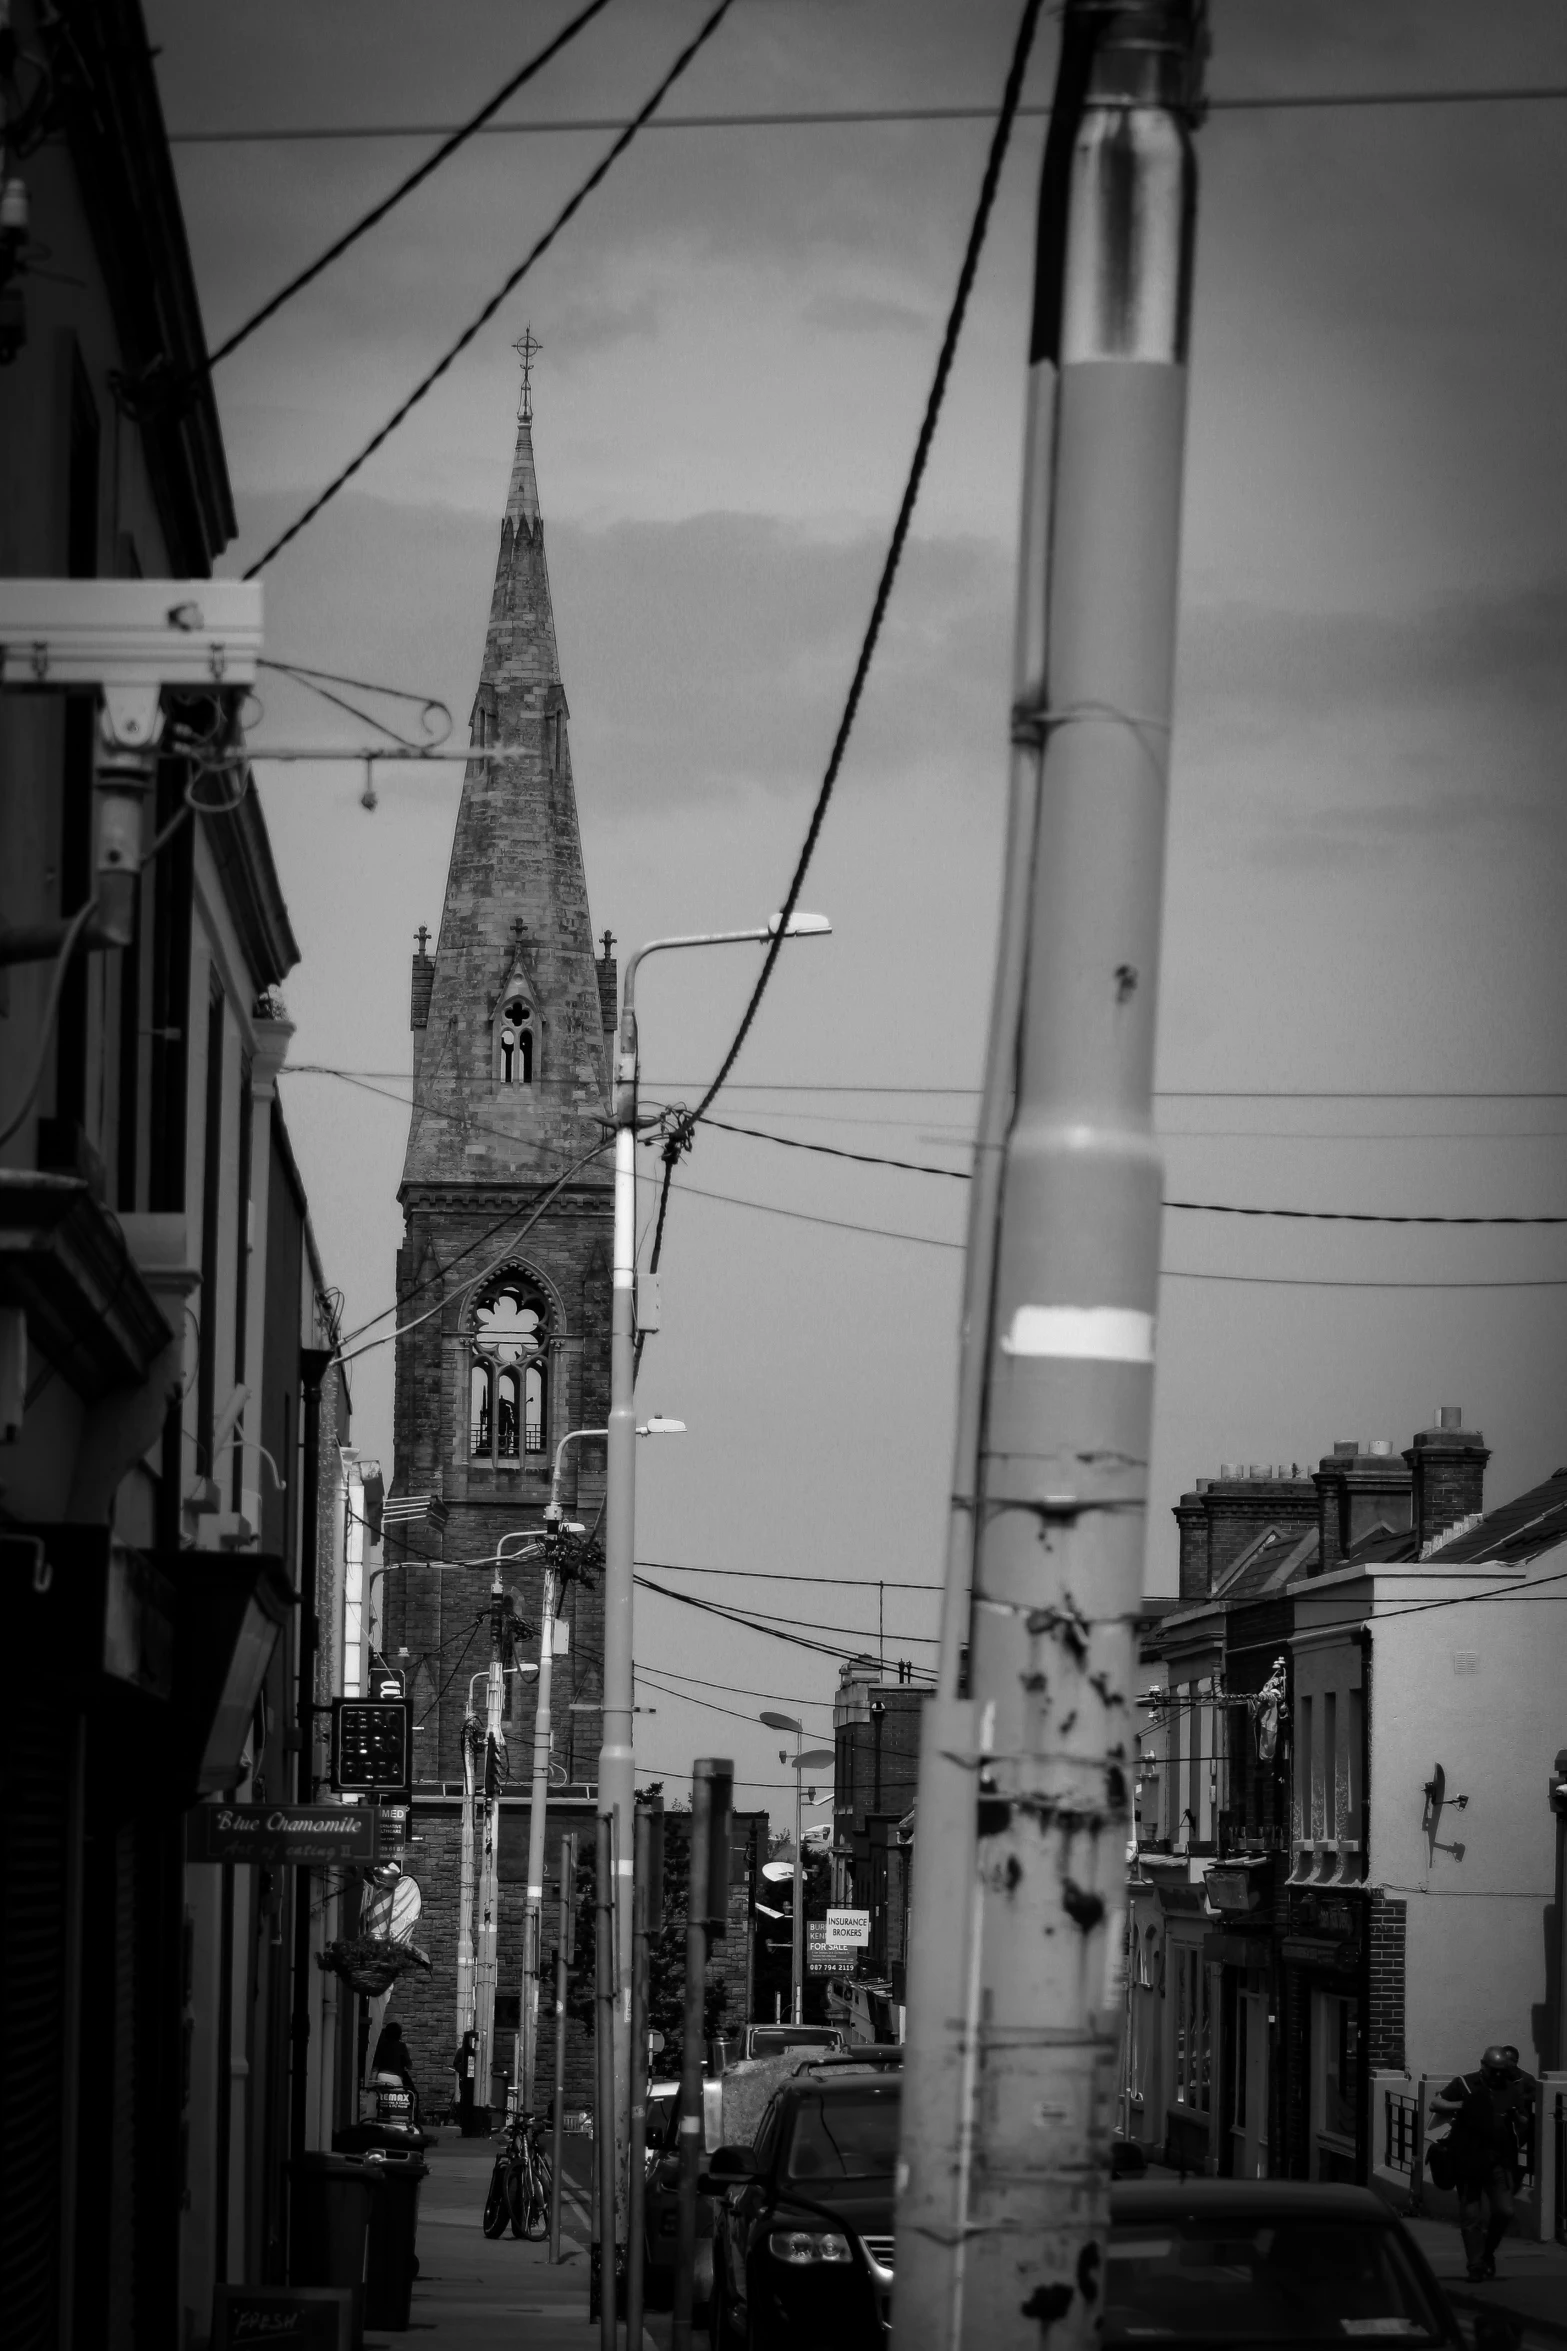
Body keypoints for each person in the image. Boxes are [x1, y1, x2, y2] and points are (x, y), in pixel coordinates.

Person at [1431, 2044, 1535, 2280]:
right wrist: (1462, 2105)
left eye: (1502, 2070)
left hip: (1498, 2160)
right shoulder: (1465, 2083)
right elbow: (1436, 2104)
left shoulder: (1510, 2089)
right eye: (1494, 2070)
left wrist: (1517, 2117)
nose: (1498, 2075)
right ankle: (1476, 2265)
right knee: (1471, 2216)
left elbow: (1524, 2122)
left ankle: (1487, 2252)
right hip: (1467, 2159)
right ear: (1483, 2066)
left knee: (1504, 2211)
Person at [452, 2026, 480, 2135]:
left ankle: (468, 2121)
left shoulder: (473, 2052)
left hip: (471, 2078)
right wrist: (462, 2071)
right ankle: (463, 2120)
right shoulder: (461, 2051)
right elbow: (455, 2063)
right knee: (464, 2098)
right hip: (465, 2079)